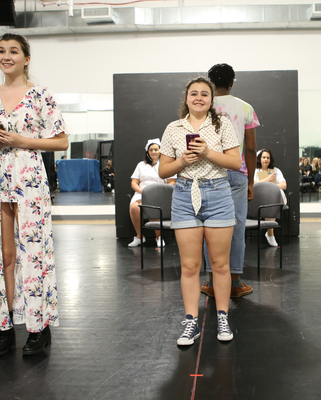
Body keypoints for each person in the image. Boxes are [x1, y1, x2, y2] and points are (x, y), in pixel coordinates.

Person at [0, 33, 69, 356]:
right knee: (1, 255)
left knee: (33, 253)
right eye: (1, 51)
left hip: (28, 177)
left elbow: (61, 141)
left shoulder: (40, 95)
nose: (6, 56)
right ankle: (4, 324)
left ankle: (39, 327)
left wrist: (22, 140)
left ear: (26, 58)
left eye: (13, 51)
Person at [159, 77, 241, 346]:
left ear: (211, 100)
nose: (198, 98)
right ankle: (191, 321)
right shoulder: (173, 128)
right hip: (184, 195)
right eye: (193, 94)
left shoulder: (222, 124)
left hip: (218, 194)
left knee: (220, 264)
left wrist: (207, 152)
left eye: (204, 94)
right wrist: (182, 160)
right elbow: (162, 171)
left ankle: (222, 315)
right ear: (186, 99)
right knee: (190, 266)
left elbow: (234, 162)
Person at [200, 63, 259, 299]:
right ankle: (234, 282)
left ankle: (213, 281)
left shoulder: (203, 106)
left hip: (208, 173)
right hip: (237, 173)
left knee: (210, 226)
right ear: (232, 82)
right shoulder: (245, 107)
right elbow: (252, 149)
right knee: (236, 227)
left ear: (210, 83)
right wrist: (252, 181)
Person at [128, 139, 176, 247]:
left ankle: (159, 237)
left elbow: (172, 182)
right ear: (148, 152)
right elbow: (134, 183)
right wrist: (143, 192)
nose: (153, 152)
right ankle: (140, 237)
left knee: (153, 205)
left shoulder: (166, 165)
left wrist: (162, 192)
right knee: (134, 207)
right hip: (141, 193)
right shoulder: (141, 165)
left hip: (160, 195)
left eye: (156, 149)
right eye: (151, 150)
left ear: (160, 151)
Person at [253, 149, 287, 247]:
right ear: (260, 159)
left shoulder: (276, 170)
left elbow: (284, 185)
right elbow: (252, 184)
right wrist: (268, 180)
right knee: (267, 197)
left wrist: (270, 188)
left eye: (268, 157)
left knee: (274, 193)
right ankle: (270, 234)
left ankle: (270, 233)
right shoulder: (255, 171)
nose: (266, 159)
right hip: (259, 199)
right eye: (264, 157)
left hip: (275, 198)